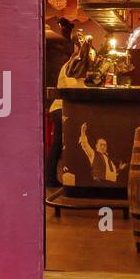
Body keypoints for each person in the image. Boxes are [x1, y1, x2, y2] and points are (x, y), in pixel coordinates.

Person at [46, 33, 93, 187]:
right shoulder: (73, 65)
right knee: (58, 144)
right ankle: (50, 178)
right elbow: (74, 87)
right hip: (60, 108)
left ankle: (51, 177)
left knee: (59, 144)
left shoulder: (74, 65)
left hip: (63, 108)